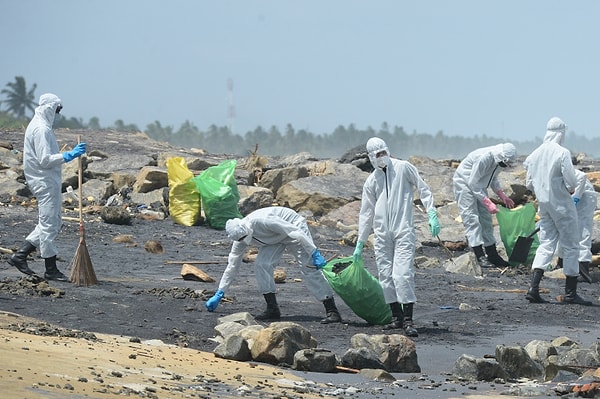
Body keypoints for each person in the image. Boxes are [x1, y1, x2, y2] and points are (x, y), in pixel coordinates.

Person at [352, 137, 440, 337]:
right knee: (385, 276)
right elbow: (366, 213)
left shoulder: (403, 168)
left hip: (403, 230)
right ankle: (396, 318)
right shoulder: (372, 181)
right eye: (377, 155)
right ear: (371, 158)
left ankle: (408, 319)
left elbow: (423, 188)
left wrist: (432, 213)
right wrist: (360, 242)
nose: (382, 157)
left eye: (384, 152)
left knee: (402, 275)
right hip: (382, 233)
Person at [205, 206, 342, 324]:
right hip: (272, 239)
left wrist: (314, 252)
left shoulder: (262, 221)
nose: (243, 241)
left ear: (246, 229)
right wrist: (220, 292)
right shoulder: (239, 237)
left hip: (293, 227)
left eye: (244, 237)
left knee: (308, 267)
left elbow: (295, 232)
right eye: (241, 240)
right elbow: (232, 265)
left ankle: (332, 311)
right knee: (261, 265)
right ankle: (272, 308)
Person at [8, 93, 86, 281]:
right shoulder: (41, 128)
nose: (58, 114)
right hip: (43, 181)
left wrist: (67, 155)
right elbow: (44, 160)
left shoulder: (42, 126)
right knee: (49, 224)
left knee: (54, 222)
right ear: (50, 108)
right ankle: (50, 268)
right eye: (57, 110)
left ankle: (20, 255)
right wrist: (69, 155)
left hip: (48, 180)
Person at [524, 117, 592, 305]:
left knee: (546, 244)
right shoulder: (562, 152)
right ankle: (570, 293)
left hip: (544, 207)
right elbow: (571, 182)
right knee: (571, 246)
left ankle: (533, 288)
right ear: (561, 133)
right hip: (562, 206)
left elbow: (529, 184)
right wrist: (565, 189)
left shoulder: (534, 154)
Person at [452, 143, 517, 268]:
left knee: (486, 219)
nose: (505, 166)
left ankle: (492, 254)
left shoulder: (499, 160)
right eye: (505, 163)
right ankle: (479, 255)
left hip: (478, 185)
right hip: (464, 183)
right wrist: (487, 202)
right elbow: (473, 183)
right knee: (471, 218)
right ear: (501, 157)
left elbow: (492, 178)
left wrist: (502, 195)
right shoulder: (485, 158)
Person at [555, 169, 596, 283]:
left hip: (585, 196)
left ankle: (583, 271)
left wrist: (575, 198)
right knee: (564, 229)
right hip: (568, 198)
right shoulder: (544, 176)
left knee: (582, 232)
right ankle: (562, 264)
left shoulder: (557, 168)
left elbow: (582, 176)